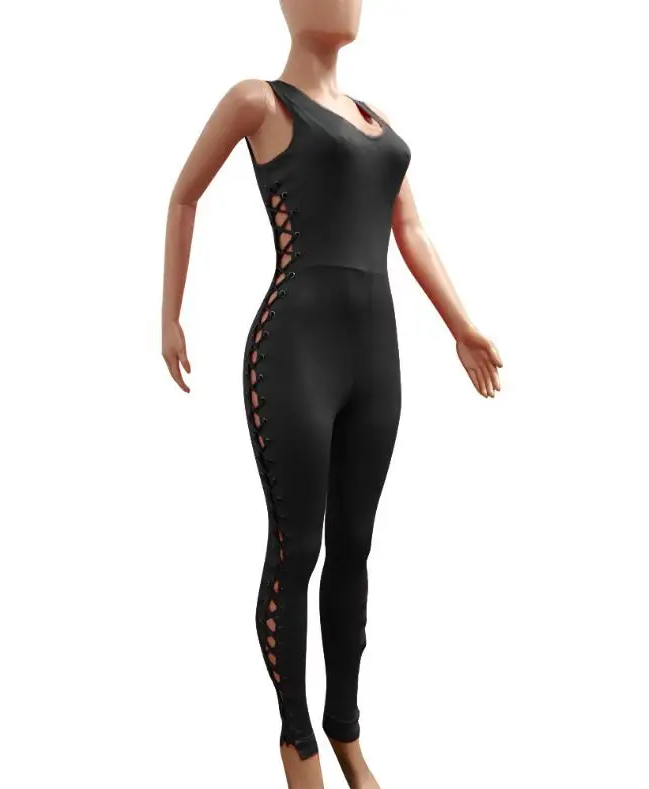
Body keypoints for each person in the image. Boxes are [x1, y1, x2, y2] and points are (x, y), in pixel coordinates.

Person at [161, 2, 503, 787]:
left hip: (377, 359)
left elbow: (410, 230)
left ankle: (346, 730)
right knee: (298, 549)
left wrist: (462, 325)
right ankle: (298, 740)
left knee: (355, 548)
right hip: (295, 352)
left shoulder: (378, 122)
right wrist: (170, 315)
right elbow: (183, 195)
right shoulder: (259, 101)